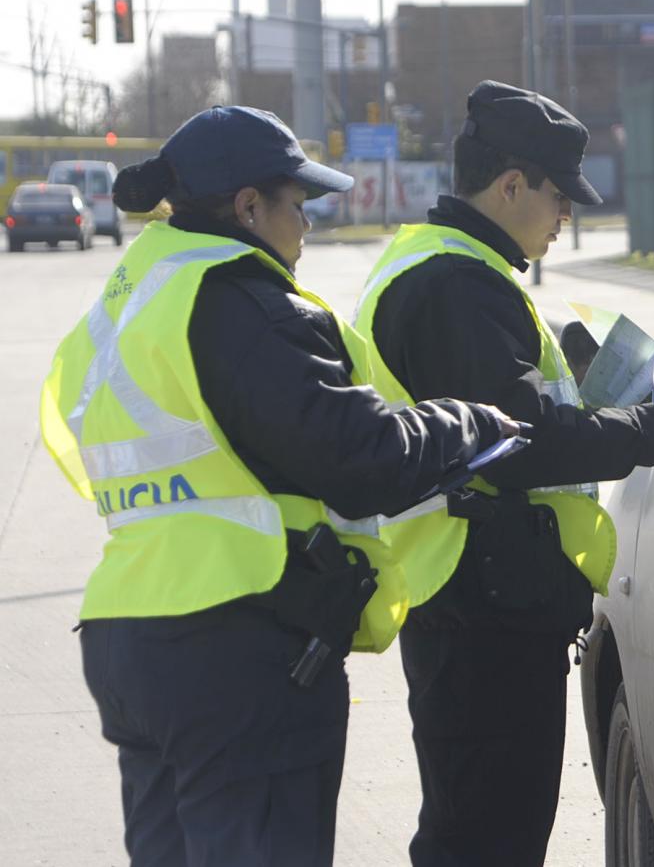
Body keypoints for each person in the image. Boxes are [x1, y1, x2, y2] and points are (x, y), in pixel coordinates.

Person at [39, 105, 521, 867]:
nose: (307, 226)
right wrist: (471, 422)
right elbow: (357, 454)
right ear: (248, 207)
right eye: (298, 205)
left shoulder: (136, 295)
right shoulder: (237, 299)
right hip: (234, 643)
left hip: (129, 632)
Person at [353, 80, 654, 866]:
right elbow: (524, 440)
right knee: (485, 840)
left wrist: (591, 382)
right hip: (478, 605)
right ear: (511, 185)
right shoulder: (453, 285)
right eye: (558, 195)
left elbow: (515, 405)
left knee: (482, 830)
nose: (566, 214)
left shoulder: (457, 270)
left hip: (481, 597)